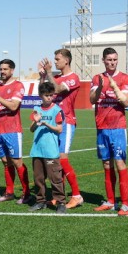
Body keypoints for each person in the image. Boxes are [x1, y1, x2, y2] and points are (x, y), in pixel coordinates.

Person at [38, 48, 83, 208]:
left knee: (62, 159)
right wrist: (43, 77)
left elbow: (57, 89)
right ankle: (59, 196)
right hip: (54, 122)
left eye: (57, 59)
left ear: (66, 60)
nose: (55, 62)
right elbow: (42, 93)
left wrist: (49, 72)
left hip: (66, 122)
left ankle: (76, 195)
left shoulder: (73, 78)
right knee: (55, 160)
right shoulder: (55, 78)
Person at [90, 47, 128, 216]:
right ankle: (110, 201)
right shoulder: (97, 78)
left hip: (118, 127)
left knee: (120, 163)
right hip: (102, 127)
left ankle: (125, 204)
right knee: (107, 164)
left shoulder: (124, 78)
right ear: (103, 60)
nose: (112, 62)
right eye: (109, 60)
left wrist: (114, 87)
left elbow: (126, 102)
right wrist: (100, 87)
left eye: (114, 59)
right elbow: (92, 99)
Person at [0, 59, 32, 204]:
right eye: (1, 69)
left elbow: (13, 106)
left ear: (12, 70)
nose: (2, 71)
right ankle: (9, 192)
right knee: (6, 162)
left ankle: (27, 193)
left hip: (12, 130)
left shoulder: (18, 85)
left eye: (5, 69)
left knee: (17, 161)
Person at [27, 82, 67, 213]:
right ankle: (40, 201)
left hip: (51, 150)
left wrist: (46, 124)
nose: (49, 98)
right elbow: (31, 129)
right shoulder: (36, 109)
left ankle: (61, 202)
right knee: (38, 178)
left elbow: (59, 129)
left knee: (55, 178)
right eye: (46, 95)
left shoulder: (57, 110)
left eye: (51, 95)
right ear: (40, 95)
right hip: (37, 149)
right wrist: (36, 122)